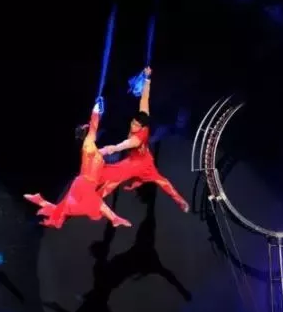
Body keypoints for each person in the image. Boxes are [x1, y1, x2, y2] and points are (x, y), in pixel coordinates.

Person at [24, 98, 132, 228]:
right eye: (87, 129)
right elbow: (93, 127)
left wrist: (114, 147)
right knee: (92, 204)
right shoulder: (88, 144)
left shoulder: (92, 150)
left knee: (71, 208)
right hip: (85, 184)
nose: (92, 132)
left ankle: (40, 201)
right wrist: (96, 110)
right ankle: (115, 219)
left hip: (84, 184)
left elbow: (102, 149)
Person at [97, 67, 190, 213]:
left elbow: (117, 147)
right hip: (137, 159)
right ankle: (96, 199)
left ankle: (181, 201)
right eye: (133, 123)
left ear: (142, 127)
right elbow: (145, 97)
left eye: (136, 125)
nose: (133, 126)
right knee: (113, 180)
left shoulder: (135, 139)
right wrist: (147, 78)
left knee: (162, 181)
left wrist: (100, 151)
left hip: (142, 164)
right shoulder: (143, 116)